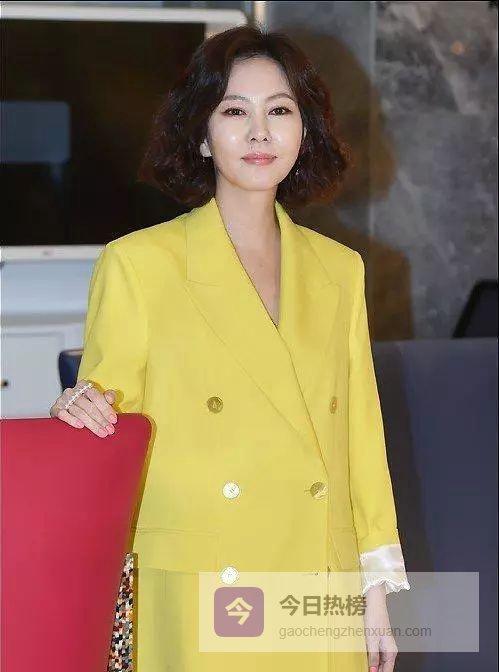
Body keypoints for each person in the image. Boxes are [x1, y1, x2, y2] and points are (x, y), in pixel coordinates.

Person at [50, 25, 410, 672]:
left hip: (316, 583)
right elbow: (110, 418)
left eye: (280, 111)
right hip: (204, 581)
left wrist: (375, 594)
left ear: (305, 132)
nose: (259, 133)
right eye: (234, 112)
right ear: (201, 133)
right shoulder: (139, 265)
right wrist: (76, 412)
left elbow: (359, 439)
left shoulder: (340, 270)